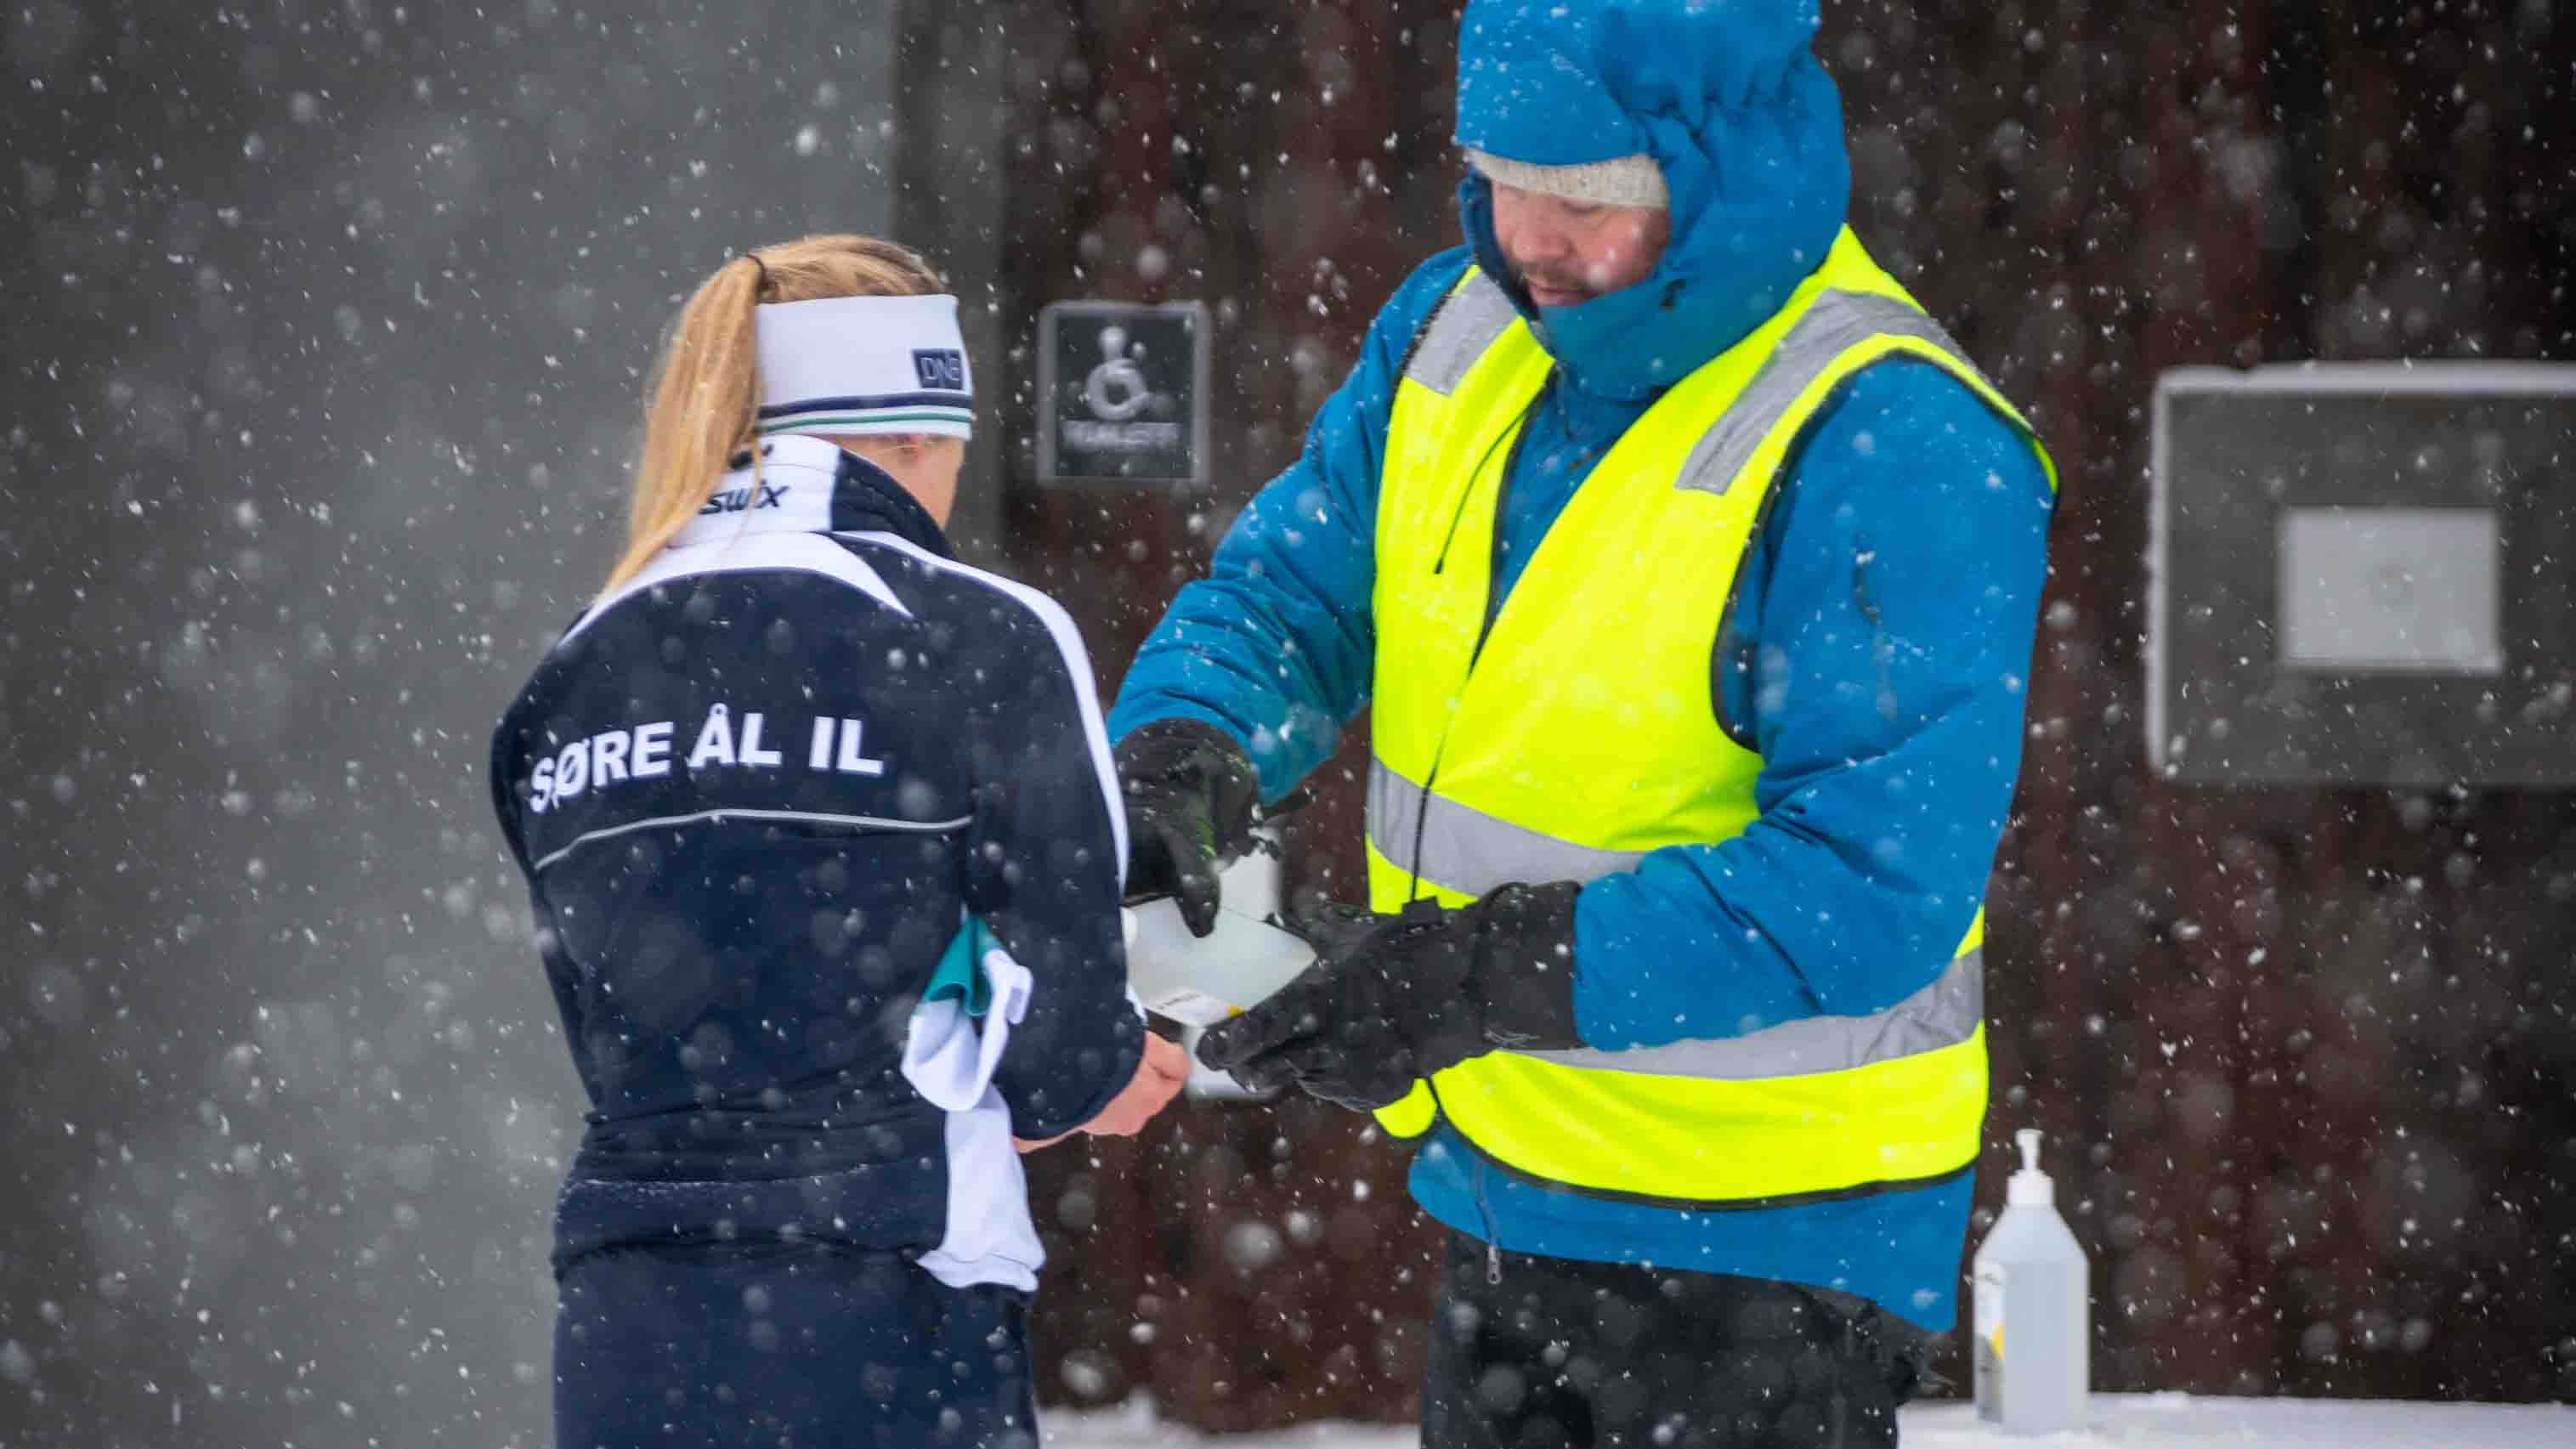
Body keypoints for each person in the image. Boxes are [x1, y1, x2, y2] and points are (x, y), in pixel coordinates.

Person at [1110, 3, 2058, 1446]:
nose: (1530, 236)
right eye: (1501, 175)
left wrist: (1472, 976)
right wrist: (1193, 736)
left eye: (1591, 197)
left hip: (1770, 1260)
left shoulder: (1896, 437)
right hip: (1507, 1196)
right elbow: (1293, 592)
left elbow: (1868, 887)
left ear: (1716, 173)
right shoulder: (1457, 330)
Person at [489, 234, 1188, 1449]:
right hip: (889, 1307)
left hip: (624, 1320)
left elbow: (663, 1007)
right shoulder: (984, 633)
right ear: (919, 429)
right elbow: (1059, 1059)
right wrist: (1122, 1061)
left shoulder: (569, 671)